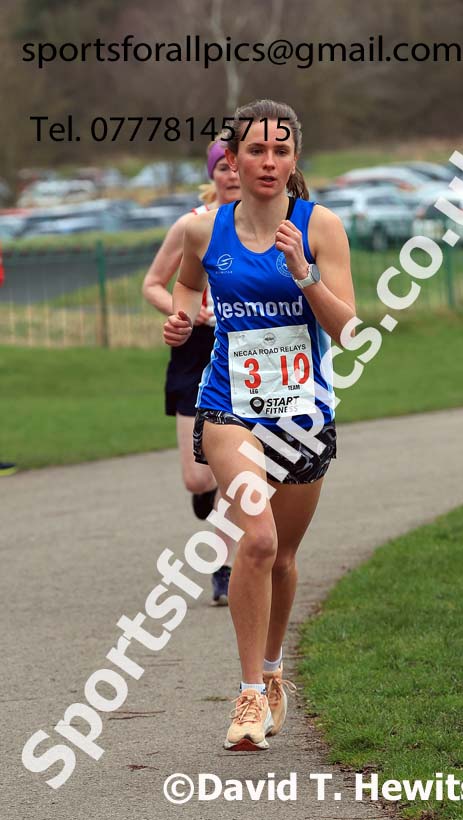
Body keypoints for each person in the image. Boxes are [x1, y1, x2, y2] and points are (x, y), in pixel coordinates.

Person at [163, 99, 356, 751]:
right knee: (257, 542)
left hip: (302, 418)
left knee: (284, 559)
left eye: (279, 151)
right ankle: (247, 696)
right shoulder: (202, 229)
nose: (267, 162)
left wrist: (303, 272)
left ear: (293, 158)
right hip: (228, 408)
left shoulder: (321, 226)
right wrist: (183, 320)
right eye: (255, 150)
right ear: (233, 160)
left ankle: (273, 674)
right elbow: (186, 289)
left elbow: (347, 330)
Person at [143, 141, 240, 604]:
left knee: (230, 471)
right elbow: (153, 285)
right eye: (224, 167)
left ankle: (224, 568)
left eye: (238, 166)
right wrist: (185, 313)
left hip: (242, 357)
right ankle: (211, 487)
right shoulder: (192, 225)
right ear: (214, 174)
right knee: (199, 480)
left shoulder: (263, 226)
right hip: (193, 354)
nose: (232, 175)